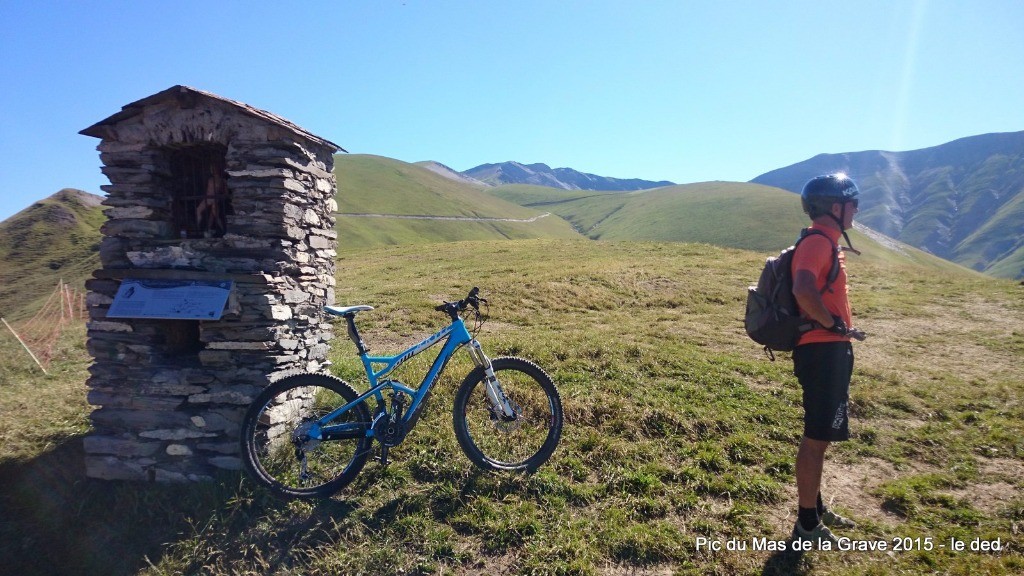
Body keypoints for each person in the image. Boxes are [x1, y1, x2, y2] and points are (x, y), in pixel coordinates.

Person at [789, 173, 863, 546]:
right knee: (816, 437)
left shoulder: (825, 242)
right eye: (853, 204)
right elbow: (802, 288)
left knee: (819, 435)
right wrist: (832, 323)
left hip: (827, 349)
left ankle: (814, 508)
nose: (856, 210)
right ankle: (807, 523)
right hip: (821, 350)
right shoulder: (817, 243)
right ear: (836, 208)